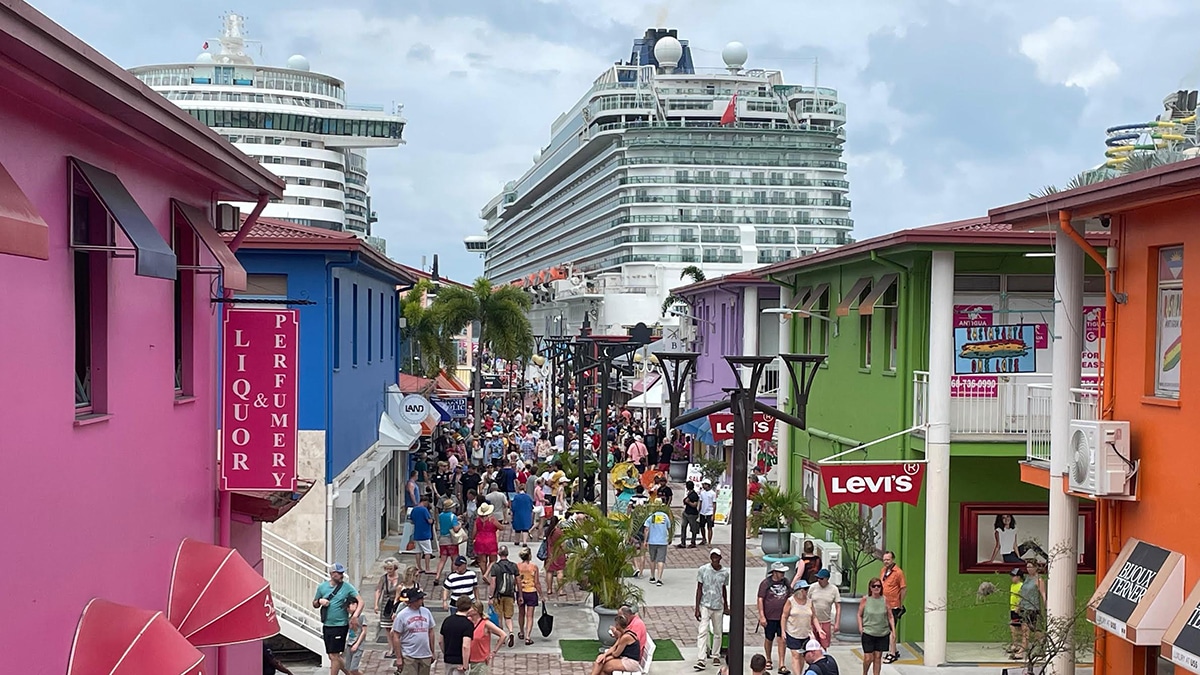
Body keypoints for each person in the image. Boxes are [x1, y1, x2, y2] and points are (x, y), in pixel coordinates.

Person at [313, 563, 360, 675]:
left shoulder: (347, 587)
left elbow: (360, 601)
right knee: (332, 655)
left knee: (335, 655)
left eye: (341, 573)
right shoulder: (322, 587)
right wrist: (320, 601)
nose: (340, 575)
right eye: (338, 573)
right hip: (327, 624)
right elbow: (314, 603)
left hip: (340, 625)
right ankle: (350, 673)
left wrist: (355, 615)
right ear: (332, 574)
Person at [694, 548, 730, 671]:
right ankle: (701, 658)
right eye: (713, 556)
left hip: (718, 605)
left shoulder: (725, 572)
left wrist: (726, 605)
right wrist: (697, 607)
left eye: (717, 557)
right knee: (702, 631)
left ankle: (716, 655)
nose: (715, 559)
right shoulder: (703, 570)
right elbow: (699, 588)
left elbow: (724, 589)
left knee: (718, 632)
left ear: (720, 558)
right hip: (705, 604)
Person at [782, 581, 824, 675]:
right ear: (800, 591)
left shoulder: (809, 602)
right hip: (793, 632)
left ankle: (799, 673)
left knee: (802, 656)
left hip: (806, 634)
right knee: (796, 655)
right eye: (805, 589)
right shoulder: (790, 601)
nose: (807, 591)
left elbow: (814, 617)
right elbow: (784, 616)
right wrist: (783, 631)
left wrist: (819, 630)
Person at [757, 562, 791, 674]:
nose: (783, 574)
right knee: (769, 638)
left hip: (782, 617)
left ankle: (781, 663)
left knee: (782, 639)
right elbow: (760, 599)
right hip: (770, 616)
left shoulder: (786, 582)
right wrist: (762, 615)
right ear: (775, 572)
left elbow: (790, 596)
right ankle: (768, 658)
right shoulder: (765, 583)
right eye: (780, 572)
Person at [857, 578, 894, 675]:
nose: (876, 588)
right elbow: (859, 614)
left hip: (882, 632)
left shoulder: (885, 600)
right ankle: (864, 673)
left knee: (878, 657)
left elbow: (890, 616)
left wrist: (893, 630)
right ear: (870, 587)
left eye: (878, 586)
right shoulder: (865, 600)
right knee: (868, 657)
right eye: (874, 586)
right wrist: (861, 628)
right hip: (868, 632)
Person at [1015, 561, 1047, 661]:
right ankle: (1026, 648)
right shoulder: (1027, 579)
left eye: (1031, 567)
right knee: (1028, 630)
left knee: (1028, 630)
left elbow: (1043, 593)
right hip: (1024, 606)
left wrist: (1046, 605)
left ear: (1036, 567)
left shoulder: (1039, 580)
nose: (1029, 569)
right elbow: (1023, 592)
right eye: (1027, 567)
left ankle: (1024, 650)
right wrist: (1019, 605)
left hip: (1033, 607)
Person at [488, 545, 519, 647]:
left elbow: (493, 583)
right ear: (507, 554)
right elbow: (518, 581)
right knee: (508, 617)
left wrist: (490, 596)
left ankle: (503, 637)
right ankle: (511, 632)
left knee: (499, 616)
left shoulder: (495, 567)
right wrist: (520, 594)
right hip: (510, 594)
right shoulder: (513, 566)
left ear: (498, 554)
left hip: (499, 595)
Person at [879, 551, 906, 664]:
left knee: (892, 630)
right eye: (884, 559)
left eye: (888, 559)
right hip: (883, 604)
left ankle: (892, 654)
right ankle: (893, 649)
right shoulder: (883, 570)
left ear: (893, 559)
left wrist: (899, 603)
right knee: (886, 629)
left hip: (894, 605)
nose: (886, 561)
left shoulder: (898, 572)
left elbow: (903, 588)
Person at [467, 600, 507, 674]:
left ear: (476, 610)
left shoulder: (486, 623)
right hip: (468, 659)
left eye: (470, 608)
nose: (467, 610)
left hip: (481, 660)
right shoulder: (468, 621)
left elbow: (503, 635)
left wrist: (494, 651)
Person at [440, 597, 475, 675]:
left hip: (448, 659)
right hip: (460, 660)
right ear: (469, 607)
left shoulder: (447, 620)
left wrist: (446, 652)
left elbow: (440, 641)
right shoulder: (468, 624)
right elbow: (465, 646)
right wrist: (465, 665)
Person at [375, 558, 402, 657]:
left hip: (398, 604)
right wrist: (376, 604)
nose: (388, 571)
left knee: (397, 627)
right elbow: (378, 590)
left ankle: (398, 647)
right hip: (386, 604)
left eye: (390, 569)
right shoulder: (383, 578)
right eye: (387, 569)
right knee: (387, 627)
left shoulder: (401, 578)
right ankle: (391, 647)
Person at [809, 569, 841, 650]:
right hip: (812, 620)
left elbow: (838, 607)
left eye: (821, 579)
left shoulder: (834, 589)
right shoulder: (813, 587)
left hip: (825, 621)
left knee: (824, 645)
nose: (819, 580)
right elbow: (806, 602)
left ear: (827, 579)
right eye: (818, 578)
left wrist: (837, 623)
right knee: (812, 645)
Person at [516, 546, 542, 644]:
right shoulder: (534, 567)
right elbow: (537, 583)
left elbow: (516, 580)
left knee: (521, 613)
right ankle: (528, 636)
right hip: (531, 591)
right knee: (530, 616)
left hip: (520, 591)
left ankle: (521, 631)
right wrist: (541, 595)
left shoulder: (517, 566)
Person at [642, 508, 672, 586]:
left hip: (652, 541)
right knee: (661, 560)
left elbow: (646, 529)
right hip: (662, 541)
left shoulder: (652, 517)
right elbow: (669, 527)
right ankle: (659, 579)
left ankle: (652, 577)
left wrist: (645, 541)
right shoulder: (665, 516)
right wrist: (670, 537)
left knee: (652, 559)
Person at [437, 500, 463, 579]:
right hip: (451, 540)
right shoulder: (453, 516)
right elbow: (455, 529)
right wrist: (460, 524)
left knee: (442, 560)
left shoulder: (440, 515)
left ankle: (437, 576)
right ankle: (453, 576)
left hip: (442, 540)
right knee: (454, 559)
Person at [411, 496, 435, 575]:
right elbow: (429, 521)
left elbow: (412, 520)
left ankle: (419, 567)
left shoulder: (414, 509)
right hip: (425, 533)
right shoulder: (424, 510)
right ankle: (427, 568)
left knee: (418, 551)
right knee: (427, 551)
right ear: (425, 502)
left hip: (417, 533)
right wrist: (432, 520)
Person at [544, 515, 568, 596]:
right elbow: (562, 544)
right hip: (558, 553)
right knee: (560, 571)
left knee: (549, 571)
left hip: (550, 553)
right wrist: (566, 552)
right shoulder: (558, 532)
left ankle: (549, 589)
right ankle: (560, 590)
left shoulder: (548, 531)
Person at [474, 502, 501, 576]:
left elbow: (474, 532)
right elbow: (501, 527)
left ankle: (484, 574)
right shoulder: (492, 520)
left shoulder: (477, 520)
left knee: (482, 561)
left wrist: (474, 539)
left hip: (479, 540)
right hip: (491, 540)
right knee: (493, 560)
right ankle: (486, 574)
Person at [1006, 568, 1025, 658]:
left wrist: (1018, 606)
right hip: (1012, 609)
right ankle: (1016, 644)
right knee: (1015, 627)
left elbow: (1022, 597)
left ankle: (1017, 644)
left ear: (1019, 577)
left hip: (1019, 609)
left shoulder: (1021, 585)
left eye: (1013, 576)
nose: (1012, 578)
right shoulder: (1012, 586)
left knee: (1015, 626)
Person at [343, 608, 367, 675]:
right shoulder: (349, 617)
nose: (348, 609)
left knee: (353, 669)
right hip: (349, 644)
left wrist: (357, 644)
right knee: (348, 668)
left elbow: (364, 631)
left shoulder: (361, 616)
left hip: (358, 645)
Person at [679, 480, 701, 549]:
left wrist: (688, 502)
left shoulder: (694, 495)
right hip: (686, 513)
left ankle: (693, 542)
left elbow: (695, 505)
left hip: (692, 514)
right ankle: (683, 542)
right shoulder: (689, 493)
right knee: (683, 526)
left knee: (693, 529)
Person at [698, 479, 717, 545]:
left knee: (709, 527)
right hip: (702, 512)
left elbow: (714, 504)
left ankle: (709, 541)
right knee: (702, 526)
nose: (703, 486)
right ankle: (704, 539)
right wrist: (699, 510)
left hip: (710, 512)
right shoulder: (702, 493)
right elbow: (700, 502)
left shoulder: (713, 493)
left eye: (704, 484)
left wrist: (713, 514)